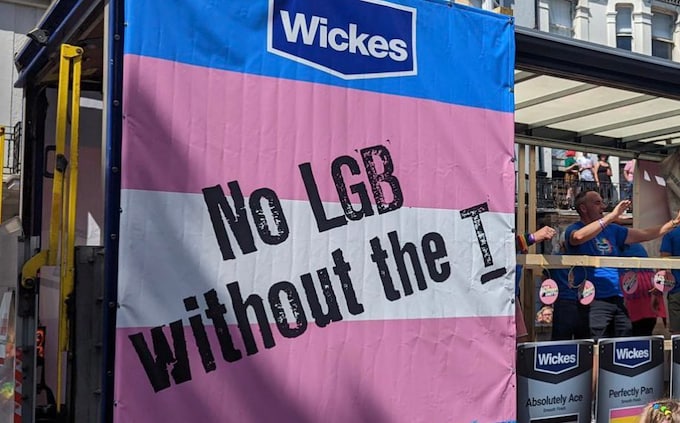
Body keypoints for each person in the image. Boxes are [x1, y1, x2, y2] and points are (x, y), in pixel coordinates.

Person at [565, 190, 680, 339]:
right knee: (595, 346)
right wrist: (612, 216)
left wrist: (673, 223)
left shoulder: (612, 230)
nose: (603, 206)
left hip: (618, 298)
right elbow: (578, 237)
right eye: (597, 203)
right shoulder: (574, 229)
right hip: (592, 299)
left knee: (623, 342)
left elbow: (644, 234)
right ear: (583, 208)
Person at [516, 226, 557, 342]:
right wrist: (533, 237)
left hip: (512, 294)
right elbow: (500, 246)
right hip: (500, 295)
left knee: (521, 340)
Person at [620, 243, 666, 336]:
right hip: (647, 283)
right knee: (645, 332)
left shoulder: (618, 245)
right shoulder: (638, 246)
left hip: (630, 283)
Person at [660, 227, 680, 334]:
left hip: (677, 291)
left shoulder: (671, 235)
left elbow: (663, 263)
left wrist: (657, 289)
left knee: (677, 337)